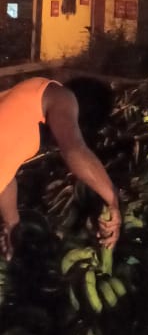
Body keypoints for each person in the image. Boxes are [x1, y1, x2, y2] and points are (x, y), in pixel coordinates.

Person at [0, 77, 121, 257]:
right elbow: (74, 149)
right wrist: (113, 200)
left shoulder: (25, 102)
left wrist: (12, 224)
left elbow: (6, 173)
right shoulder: (61, 96)